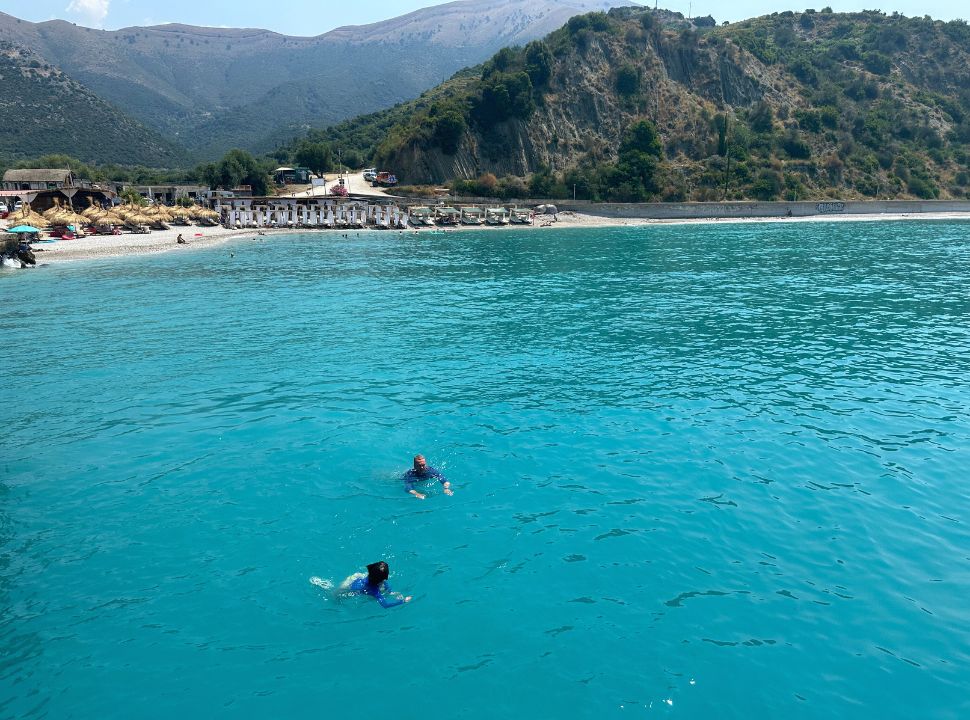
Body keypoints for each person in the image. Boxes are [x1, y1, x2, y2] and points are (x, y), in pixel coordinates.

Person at [339, 561, 411, 608]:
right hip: (353, 593)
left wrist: (393, 593)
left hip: (352, 586)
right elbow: (385, 605)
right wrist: (403, 601)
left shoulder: (362, 577)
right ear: (385, 578)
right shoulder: (375, 591)